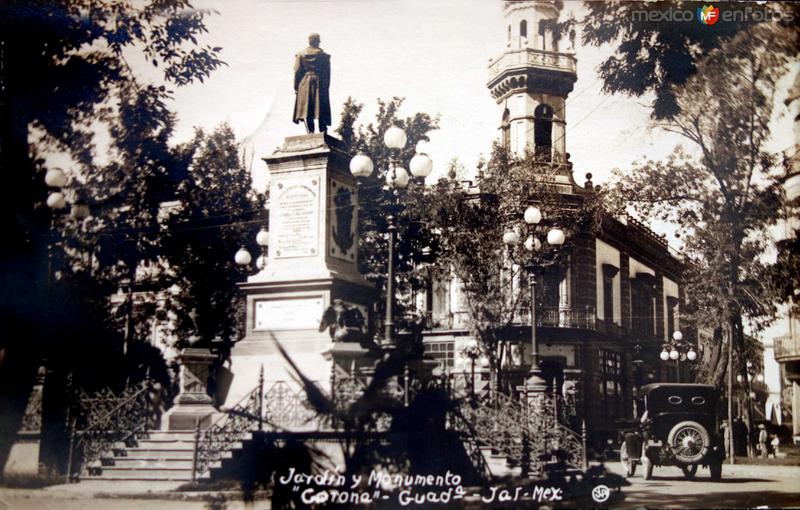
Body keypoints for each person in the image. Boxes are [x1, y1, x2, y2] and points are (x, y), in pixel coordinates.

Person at [293, 33, 331, 134]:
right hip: (320, 83)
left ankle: (311, 132)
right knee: (321, 106)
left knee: (307, 107)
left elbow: (297, 72)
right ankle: (323, 131)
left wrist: (296, 87)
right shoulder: (324, 56)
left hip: (305, 83)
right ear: (317, 42)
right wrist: (326, 87)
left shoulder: (300, 55)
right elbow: (327, 74)